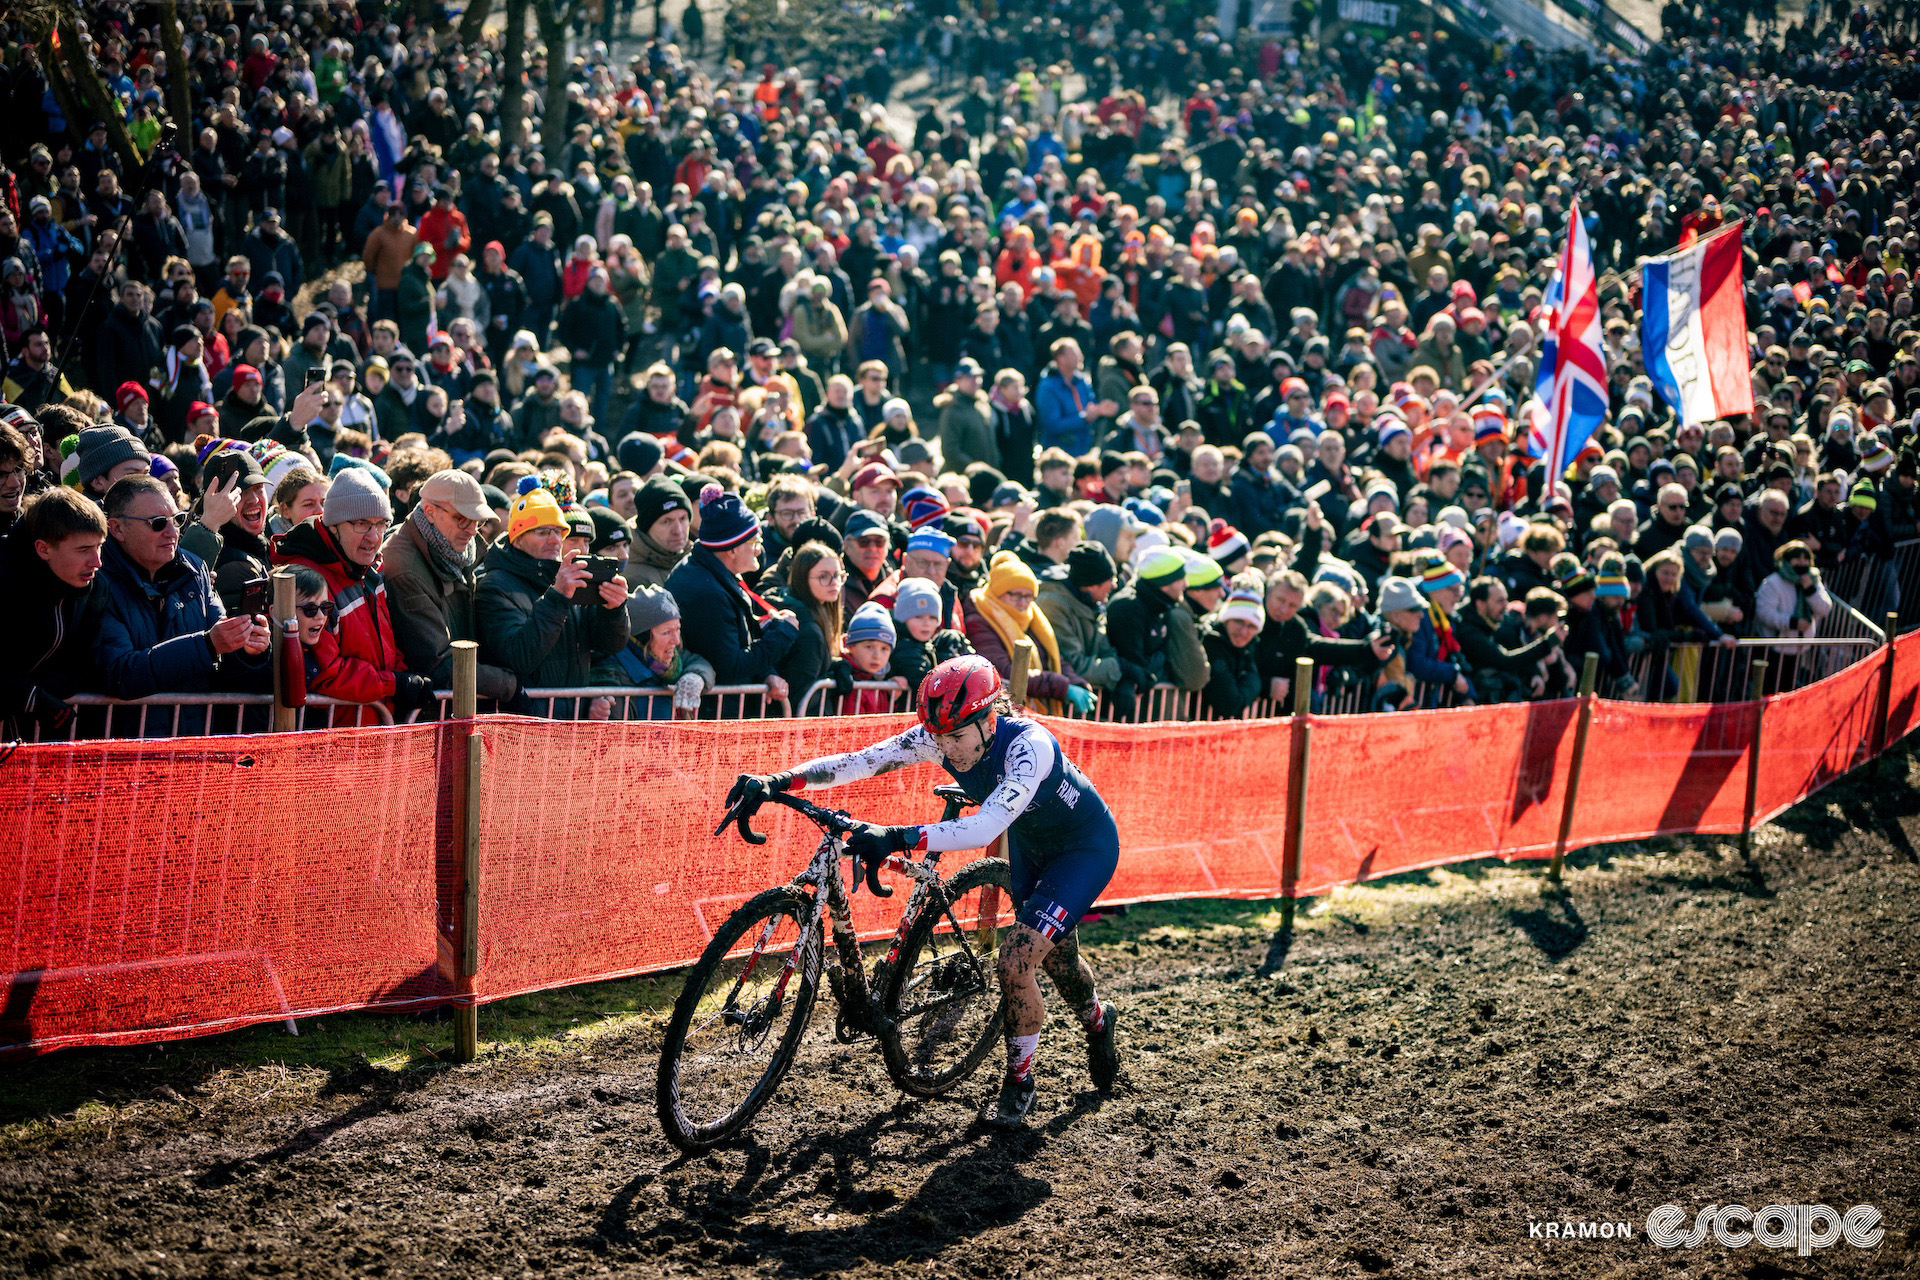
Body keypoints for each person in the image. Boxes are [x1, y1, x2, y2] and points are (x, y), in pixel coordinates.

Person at [726, 654, 1122, 1128]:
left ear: (990, 717)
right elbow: (861, 762)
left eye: (957, 737)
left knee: (1016, 960)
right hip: (1034, 846)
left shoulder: (1028, 746)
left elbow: (985, 828)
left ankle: (1021, 1081)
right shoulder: (939, 736)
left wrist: (896, 836)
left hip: (1084, 848)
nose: (948, 750)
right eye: (939, 739)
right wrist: (778, 780)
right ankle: (1098, 1017)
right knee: (1057, 958)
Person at [94, 476, 272, 733]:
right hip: (123, 751)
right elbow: (122, 673)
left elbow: (220, 656)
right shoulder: (97, 579)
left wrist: (248, 647)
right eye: (157, 524)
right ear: (117, 529)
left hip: (192, 749)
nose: (172, 532)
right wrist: (208, 644)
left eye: (177, 520)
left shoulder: (194, 569)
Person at [273, 466, 436, 722]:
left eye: (381, 524)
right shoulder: (308, 579)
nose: (374, 537)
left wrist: (406, 679)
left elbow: (386, 645)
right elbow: (325, 673)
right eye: (361, 524)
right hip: (331, 743)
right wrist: (393, 684)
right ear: (334, 525)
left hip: (374, 731)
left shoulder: (369, 569)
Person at [475, 480, 632, 715]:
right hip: (521, 726)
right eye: (543, 532)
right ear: (517, 539)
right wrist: (557, 596)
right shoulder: (494, 586)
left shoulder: (570, 577)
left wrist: (614, 609)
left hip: (569, 724)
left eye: (559, 531)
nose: (555, 540)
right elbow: (520, 657)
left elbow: (607, 646)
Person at [383, 469, 521, 706]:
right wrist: (509, 685)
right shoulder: (405, 566)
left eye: (478, 521)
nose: (471, 529)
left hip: (454, 704)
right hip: (428, 715)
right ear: (430, 512)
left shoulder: (458, 551)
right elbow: (440, 664)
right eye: (461, 518)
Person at [0, 488, 108, 738]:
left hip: (31, 737)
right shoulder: (6, 579)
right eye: (83, 550)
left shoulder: (97, 587)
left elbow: (83, 665)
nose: (97, 562)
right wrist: (31, 698)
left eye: (99, 547)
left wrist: (39, 696)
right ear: (44, 549)